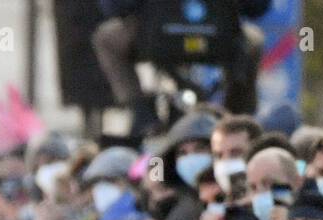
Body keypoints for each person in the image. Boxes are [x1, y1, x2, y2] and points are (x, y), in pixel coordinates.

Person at [92, 0, 270, 136]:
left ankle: (141, 111)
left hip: (156, 41)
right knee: (254, 41)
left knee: (106, 38)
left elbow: (113, 7)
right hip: (216, 39)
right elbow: (258, 7)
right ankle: (237, 115)